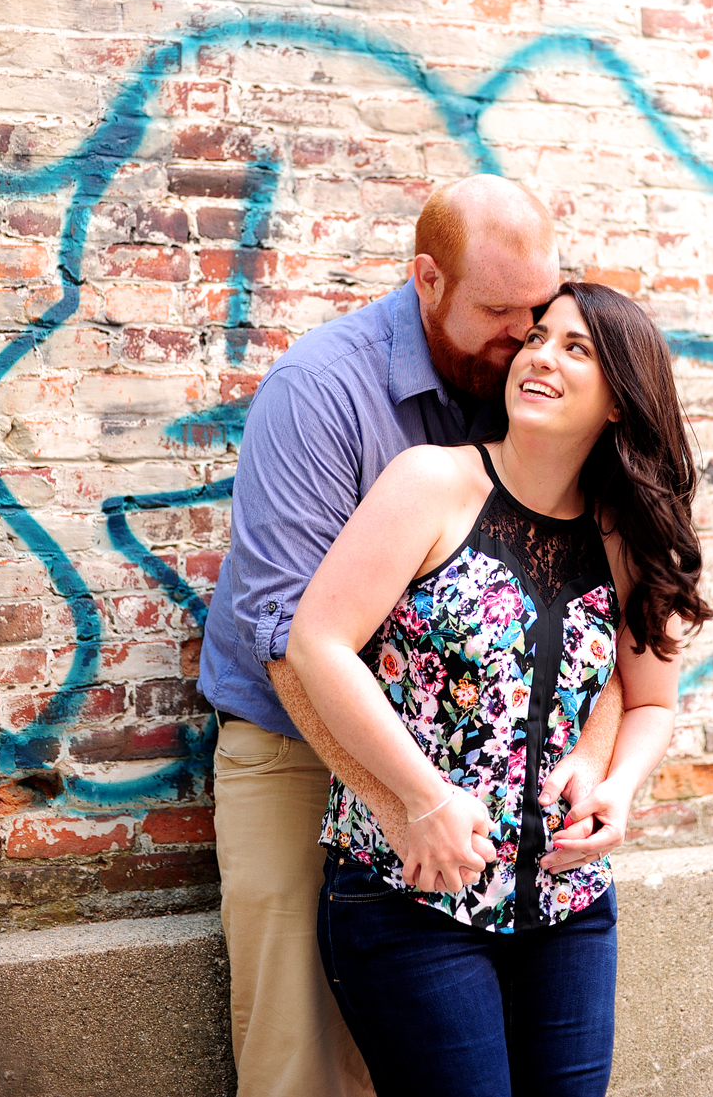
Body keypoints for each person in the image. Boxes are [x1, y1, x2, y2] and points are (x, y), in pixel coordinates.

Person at [198, 177, 625, 1097]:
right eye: (501, 312)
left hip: (466, 774)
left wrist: (594, 763)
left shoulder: (521, 387)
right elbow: (284, 636)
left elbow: (608, 632)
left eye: (542, 309)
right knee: (304, 1061)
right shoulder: (321, 390)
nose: (526, 338)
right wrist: (396, 802)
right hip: (298, 740)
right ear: (426, 279)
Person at [286, 280, 713, 1097]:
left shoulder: (624, 533)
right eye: (537, 338)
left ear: (620, 401)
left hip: (569, 909)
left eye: (575, 348)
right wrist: (422, 799)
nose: (540, 357)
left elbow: (652, 698)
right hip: (413, 898)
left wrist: (618, 787)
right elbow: (318, 642)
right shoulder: (431, 485)